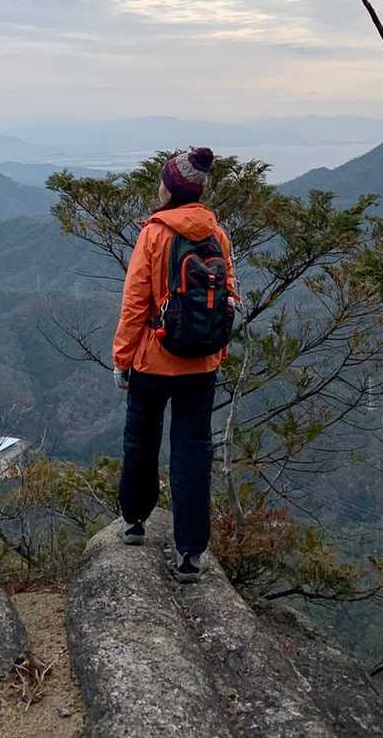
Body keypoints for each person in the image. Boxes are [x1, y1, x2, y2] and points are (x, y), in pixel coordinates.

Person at [112, 146, 235, 582]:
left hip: (153, 358)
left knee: (141, 441)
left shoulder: (154, 234)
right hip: (200, 365)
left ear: (172, 188)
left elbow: (135, 304)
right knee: (193, 453)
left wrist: (122, 358)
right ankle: (190, 554)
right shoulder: (217, 234)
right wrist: (216, 353)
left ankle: (134, 521)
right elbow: (227, 299)